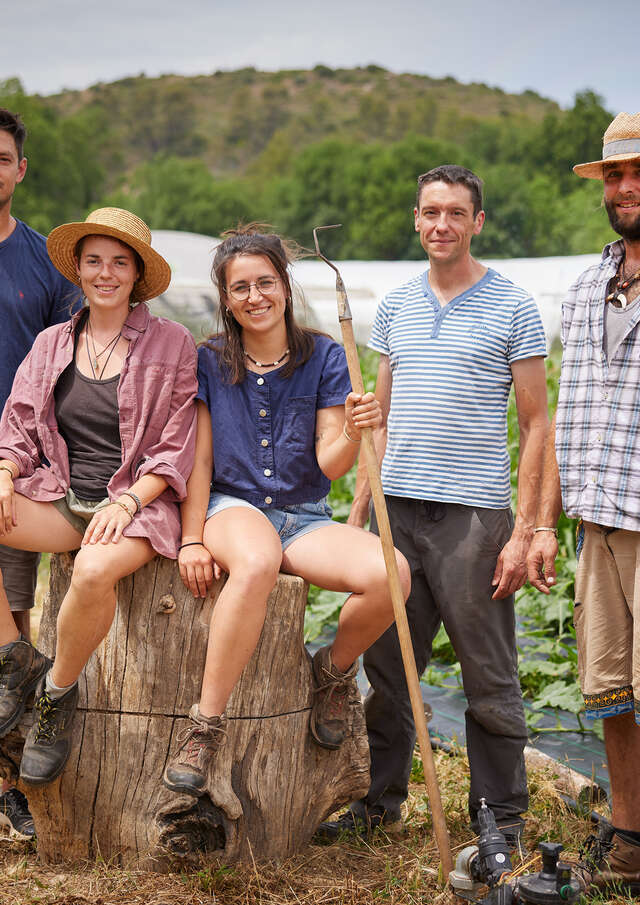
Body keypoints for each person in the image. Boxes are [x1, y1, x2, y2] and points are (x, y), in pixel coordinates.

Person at [318, 165, 548, 845]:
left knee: (488, 673)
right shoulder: (395, 307)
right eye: (430, 212)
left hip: (474, 519)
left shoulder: (513, 305)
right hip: (399, 512)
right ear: (415, 220)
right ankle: (378, 801)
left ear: (477, 222)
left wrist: (526, 529)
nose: (441, 224)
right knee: (390, 669)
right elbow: (378, 423)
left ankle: (499, 817)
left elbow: (537, 423)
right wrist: (359, 519)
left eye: (455, 212)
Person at [162, 226, 410, 796]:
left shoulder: (323, 354)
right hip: (233, 506)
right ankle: (205, 726)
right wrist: (193, 538)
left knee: (391, 574)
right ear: (225, 297)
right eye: (240, 287)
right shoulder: (208, 360)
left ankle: (332, 672)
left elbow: (330, 463)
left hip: (304, 513)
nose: (255, 297)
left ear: (285, 286)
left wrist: (353, 429)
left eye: (265, 282)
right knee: (256, 562)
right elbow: (199, 461)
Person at [0, 207, 197, 787]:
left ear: (137, 274)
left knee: (90, 573)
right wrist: (5, 472)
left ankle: (56, 697)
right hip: (63, 493)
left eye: (119, 262)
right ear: (79, 273)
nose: (105, 273)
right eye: (93, 262)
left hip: (137, 504)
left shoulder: (172, 343)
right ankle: (15, 656)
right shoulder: (52, 342)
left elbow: (175, 442)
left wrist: (129, 502)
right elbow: (19, 425)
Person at [527, 112, 640, 895]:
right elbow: (567, 417)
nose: (627, 187)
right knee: (611, 691)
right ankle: (631, 833)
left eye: (639, 173)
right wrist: (542, 521)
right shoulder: (586, 285)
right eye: (616, 176)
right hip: (597, 519)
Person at [0, 108, 80, 837]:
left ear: (19, 170)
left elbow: (72, 367)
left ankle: (15, 779)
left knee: (14, 621)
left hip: (17, 468)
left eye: (2, 157)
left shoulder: (44, 264)